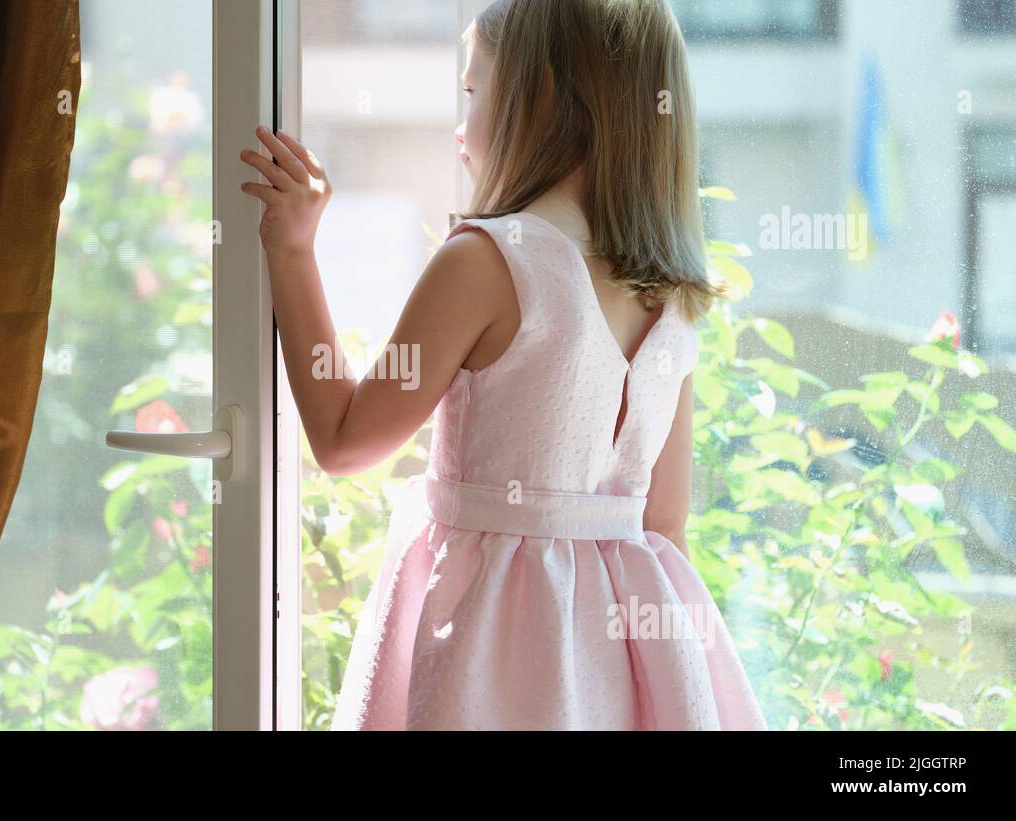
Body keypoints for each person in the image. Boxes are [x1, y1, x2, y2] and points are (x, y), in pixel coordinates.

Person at [239, 0, 767, 730]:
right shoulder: (673, 297)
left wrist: (291, 249)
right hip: (624, 666)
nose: (461, 126)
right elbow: (664, 526)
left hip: (489, 660)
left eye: (474, 90)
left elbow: (342, 435)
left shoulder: (488, 262)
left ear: (541, 96)